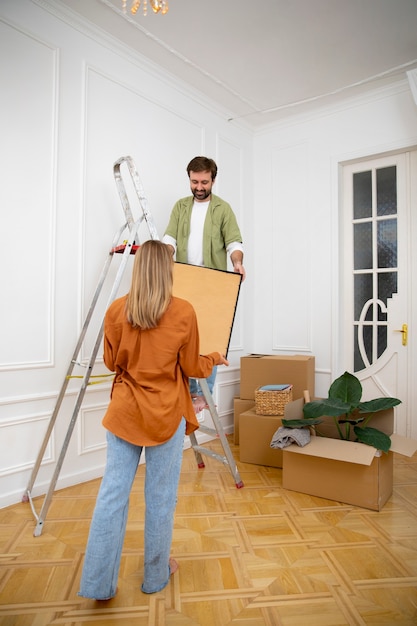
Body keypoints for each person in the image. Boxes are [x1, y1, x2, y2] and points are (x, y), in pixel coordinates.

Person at [78, 240, 228, 600]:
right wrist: (213, 358)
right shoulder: (183, 312)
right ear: (167, 270)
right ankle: (155, 578)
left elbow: (112, 364)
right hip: (165, 414)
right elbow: (193, 367)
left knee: (112, 496)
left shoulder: (116, 310)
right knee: (160, 499)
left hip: (125, 412)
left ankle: (98, 585)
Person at [162, 156, 245, 412]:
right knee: (184, 337)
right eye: (194, 181)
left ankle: (205, 394)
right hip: (185, 281)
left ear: (213, 180)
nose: (199, 186)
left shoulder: (223, 209)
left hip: (213, 283)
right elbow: (170, 239)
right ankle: (191, 391)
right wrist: (163, 257)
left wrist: (238, 263)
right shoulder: (180, 207)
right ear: (189, 179)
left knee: (212, 338)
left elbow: (234, 243)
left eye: (204, 182)